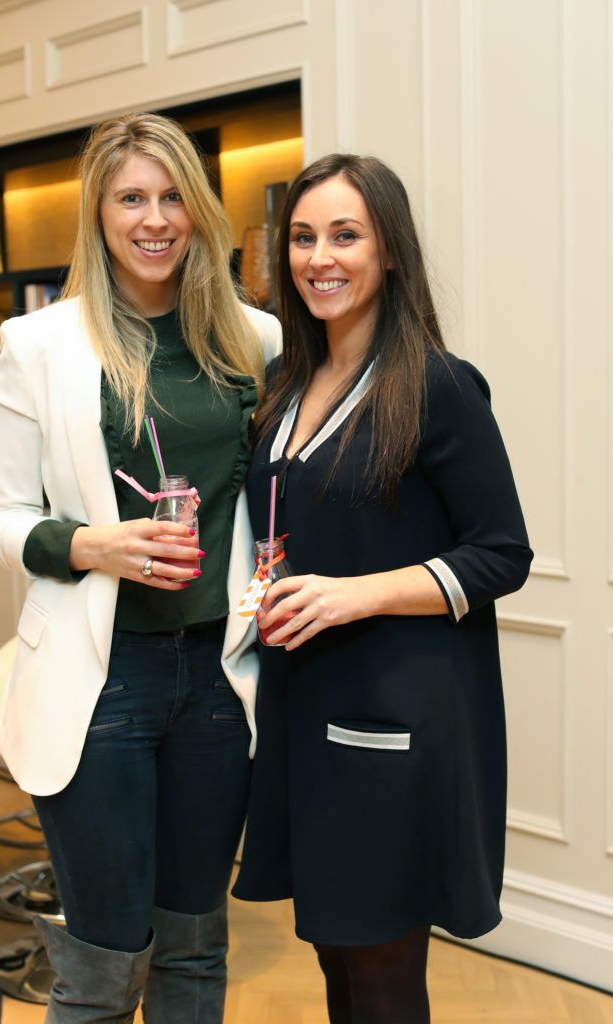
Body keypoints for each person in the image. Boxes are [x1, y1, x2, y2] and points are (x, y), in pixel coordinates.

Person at [0, 112, 281, 1024]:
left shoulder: (255, 341)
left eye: (172, 196)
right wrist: (84, 544)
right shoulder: (40, 345)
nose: (154, 219)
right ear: (98, 215)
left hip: (219, 679)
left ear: (198, 211)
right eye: (130, 198)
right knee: (103, 965)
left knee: (194, 946)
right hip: (96, 683)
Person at [232, 154, 533, 1023]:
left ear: (390, 251)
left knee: (383, 975)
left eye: (345, 235)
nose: (319, 257)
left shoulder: (438, 385)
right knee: (334, 956)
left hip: (393, 725)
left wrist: (353, 595)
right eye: (301, 237)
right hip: (299, 712)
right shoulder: (284, 386)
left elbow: (500, 553)